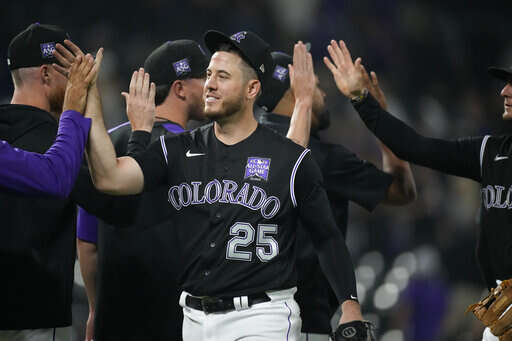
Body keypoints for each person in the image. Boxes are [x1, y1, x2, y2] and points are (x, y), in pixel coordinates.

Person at [83, 29, 364, 340]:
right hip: (193, 318)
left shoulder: (291, 159)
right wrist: (89, 100)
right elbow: (110, 177)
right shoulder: (176, 150)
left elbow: (327, 237)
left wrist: (350, 305)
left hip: (262, 316)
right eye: (208, 74)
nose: (210, 84)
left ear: (252, 88)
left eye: (223, 76)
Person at [322, 39, 512, 341]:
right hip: (501, 305)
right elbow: (416, 147)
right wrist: (362, 100)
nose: (504, 91)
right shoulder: (491, 151)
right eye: (505, 83)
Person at [257, 50, 416, 340]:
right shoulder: (321, 157)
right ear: (297, 90)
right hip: (300, 321)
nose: (323, 94)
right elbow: (401, 192)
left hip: (237, 319)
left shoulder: (241, 148)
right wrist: (381, 122)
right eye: (315, 85)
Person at [69, 39, 209, 341]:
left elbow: (87, 243)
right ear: (180, 88)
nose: (212, 87)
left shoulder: (104, 145)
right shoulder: (199, 151)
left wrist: (95, 309)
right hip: (178, 321)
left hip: (115, 317)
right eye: (205, 77)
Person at [0, 23, 100, 341]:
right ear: (46, 74)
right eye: (71, 74)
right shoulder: (66, 147)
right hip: (36, 320)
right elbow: (116, 204)